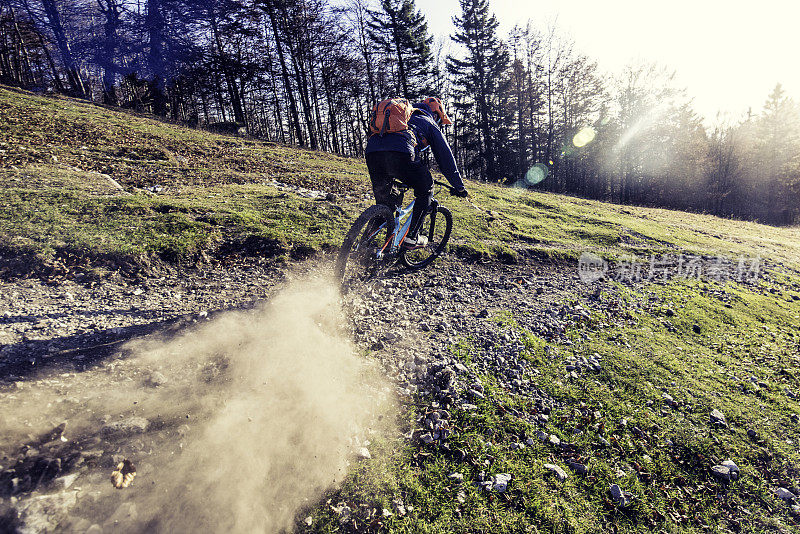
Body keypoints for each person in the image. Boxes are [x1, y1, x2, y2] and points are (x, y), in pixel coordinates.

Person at [365, 96, 468, 249]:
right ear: (436, 115)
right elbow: (445, 157)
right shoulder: (428, 121)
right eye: (440, 120)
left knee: (385, 204)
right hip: (401, 155)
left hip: (372, 154)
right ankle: (412, 237)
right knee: (426, 188)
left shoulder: (403, 117)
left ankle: (361, 243)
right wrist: (458, 186)